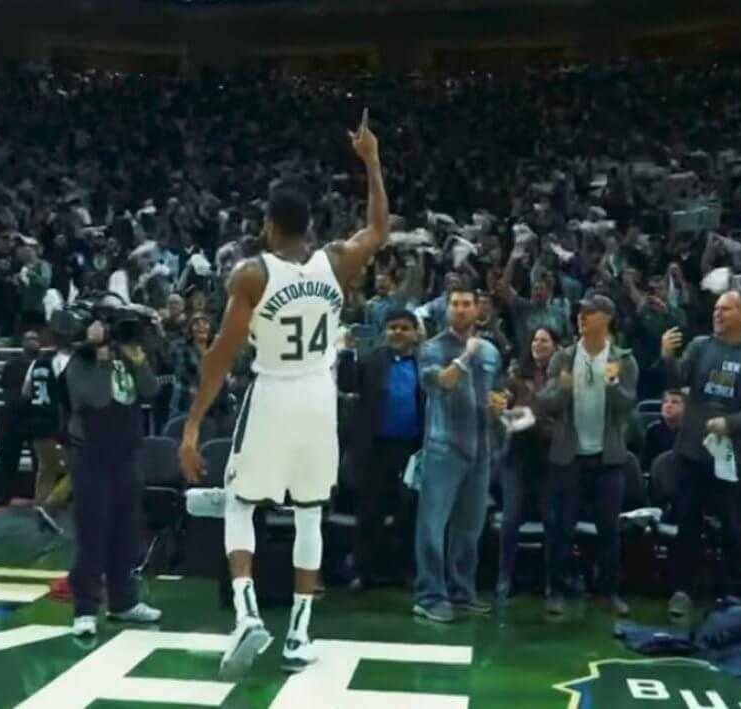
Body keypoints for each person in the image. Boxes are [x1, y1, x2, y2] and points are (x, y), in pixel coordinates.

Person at [178, 110, 388, 678]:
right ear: (310, 225)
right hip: (320, 395)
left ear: (270, 224)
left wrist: (193, 424)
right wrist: (371, 161)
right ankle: (298, 633)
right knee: (310, 512)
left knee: (240, 501)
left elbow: (220, 356)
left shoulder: (252, 274)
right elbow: (378, 228)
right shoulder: (336, 262)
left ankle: (247, 614)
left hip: (273, 392)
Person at [660, 289, 741, 618]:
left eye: (726, 309)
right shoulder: (700, 346)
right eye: (716, 308)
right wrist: (667, 357)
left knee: (732, 528)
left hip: (734, 459)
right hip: (693, 452)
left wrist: (731, 423)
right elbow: (676, 380)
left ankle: (736, 597)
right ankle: (682, 591)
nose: (718, 314)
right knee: (687, 523)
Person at [537, 294, 639, 617]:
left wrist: (612, 382)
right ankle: (556, 591)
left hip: (608, 458)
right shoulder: (564, 358)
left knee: (609, 529)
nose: (582, 317)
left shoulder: (624, 360)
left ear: (607, 318)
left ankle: (608, 592)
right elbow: (546, 403)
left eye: (590, 313)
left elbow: (626, 405)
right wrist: (563, 388)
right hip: (569, 456)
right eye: (580, 312)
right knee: (561, 528)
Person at [61, 317, 162, 637]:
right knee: (93, 533)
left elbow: (151, 389)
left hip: (127, 455)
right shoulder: (79, 362)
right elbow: (96, 398)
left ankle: (124, 602)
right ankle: (85, 609)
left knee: (126, 532)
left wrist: (139, 362)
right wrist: (102, 357)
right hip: (91, 457)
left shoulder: (128, 359)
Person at [413, 286, 505, 622]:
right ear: (447, 309)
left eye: (467, 304)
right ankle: (429, 596)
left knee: (469, 528)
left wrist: (499, 404)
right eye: (455, 304)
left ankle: (461, 592)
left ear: (478, 309)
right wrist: (465, 357)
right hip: (443, 449)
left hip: (481, 448)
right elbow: (438, 383)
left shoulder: (491, 351)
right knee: (432, 526)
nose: (461, 309)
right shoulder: (432, 348)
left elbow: (497, 391)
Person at [340, 308, 424, 591]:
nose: (398, 332)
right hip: (375, 449)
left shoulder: (424, 363)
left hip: (411, 449)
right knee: (369, 512)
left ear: (415, 333)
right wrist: (347, 353)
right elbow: (347, 384)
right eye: (393, 327)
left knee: (409, 512)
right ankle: (363, 572)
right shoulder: (371, 359)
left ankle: (407, 572)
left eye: (404, 328)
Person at [496, 326, 559, 607]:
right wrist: (506, 411)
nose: (538, 344)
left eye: (544, 340)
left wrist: (540, 420)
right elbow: (503, 407)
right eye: (535, 340)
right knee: (510, 519)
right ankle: (504, 579)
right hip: (517, 457)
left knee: (552, 520)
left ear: (556, 346)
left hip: (550, 459)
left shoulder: (562, 378)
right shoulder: (516, 379)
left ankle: (552, 583)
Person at [22, 330, 73, 535]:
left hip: (36, 421)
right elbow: (69, 391)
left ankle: (41, 512)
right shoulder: (63, 361)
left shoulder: (36, 362)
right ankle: (49, 506)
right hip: (56, 423)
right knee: (76, 469)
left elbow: (26, 391)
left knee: (45, 470)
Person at [0, 331, 40, 507]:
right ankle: (4, 495)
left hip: (35, 414)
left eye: (35, 339)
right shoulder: (12, 364)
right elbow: (3, 384)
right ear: (23, 342)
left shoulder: (43, 364)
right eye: (29, 339)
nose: (33, 342)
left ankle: (40, 497)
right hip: (12, 414)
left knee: (39, 458)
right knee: (7, 457)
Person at [642, 389, 686, 473]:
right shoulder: (653, 430)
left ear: (685, 408)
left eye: (675, 402)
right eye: (665, 402)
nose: (668, 405)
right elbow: (646, 464)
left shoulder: (690, 431)